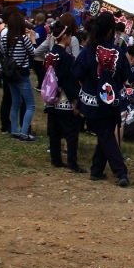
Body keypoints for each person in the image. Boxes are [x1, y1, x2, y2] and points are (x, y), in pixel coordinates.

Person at [72, 12, 132, 187]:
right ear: (110, 31)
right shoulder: (118, 52)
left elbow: (77, 72)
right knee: (106, 135)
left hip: (91, 101)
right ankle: (120, 171)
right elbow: (124, 76)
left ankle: (96, 170)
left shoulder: (88, 50)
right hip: (111, 100)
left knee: (104, 134)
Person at [43, 21, 85, 173]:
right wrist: (75, 100)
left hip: (51, 96)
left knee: (54, 131)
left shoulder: (49, 54)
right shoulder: (66, 57)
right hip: (63, 98)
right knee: (72, 132)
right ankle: (72, 163)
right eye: (70, 35)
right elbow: (68, 80)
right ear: (65, 36)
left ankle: (56, 159)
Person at [0, 11, 37, 141]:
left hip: (10, 74)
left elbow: (4, 53)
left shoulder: (4, 38)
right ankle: (24, 132)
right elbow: (33, 52)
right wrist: (32, 39)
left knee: (15, 103)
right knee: (30, 105)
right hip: (22, 74)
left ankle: (15, 130)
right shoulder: (24, 39)